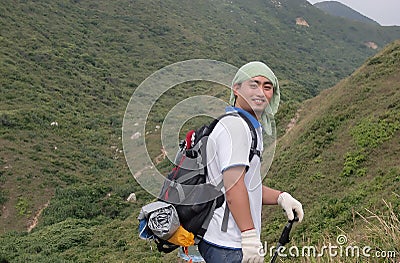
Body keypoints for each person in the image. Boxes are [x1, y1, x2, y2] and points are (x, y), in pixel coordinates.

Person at [198, 61, 304, 263]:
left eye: (267, 86)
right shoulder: (236, 127)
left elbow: (247, 185)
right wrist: (248, 236)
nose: (261, 92)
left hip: (225, 242)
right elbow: (233, 187)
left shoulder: (249, 126)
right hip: (228, 244)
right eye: (253, 84)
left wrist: (281, 197)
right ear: (236, 89)